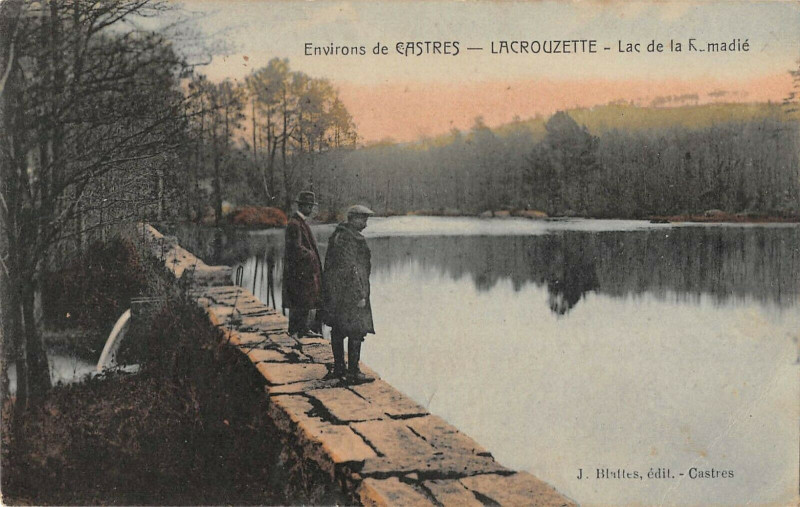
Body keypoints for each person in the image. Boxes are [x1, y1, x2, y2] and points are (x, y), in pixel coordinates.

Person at [321, 204, 375, 383]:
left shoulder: (338, 235)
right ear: (354, 219)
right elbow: (352, 268)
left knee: (338, 329)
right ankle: (353, 372)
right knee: (356, 330)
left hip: (338, 294)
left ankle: (339, 369)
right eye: (364, 219)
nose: (366, 224)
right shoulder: (350, 239)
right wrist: (360, 294)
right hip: (351, 294)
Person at [282, 190, 323, 338]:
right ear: (302, 206)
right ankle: (297, 330)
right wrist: (311, 255)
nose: (311, 209)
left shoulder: (300, 222)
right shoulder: (295, 224)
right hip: (299, 270)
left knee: (303, 300)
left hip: (302, 270)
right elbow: (295, 248)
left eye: (311, 206)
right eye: (309, 206)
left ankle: (301, 329)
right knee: (300, 299)